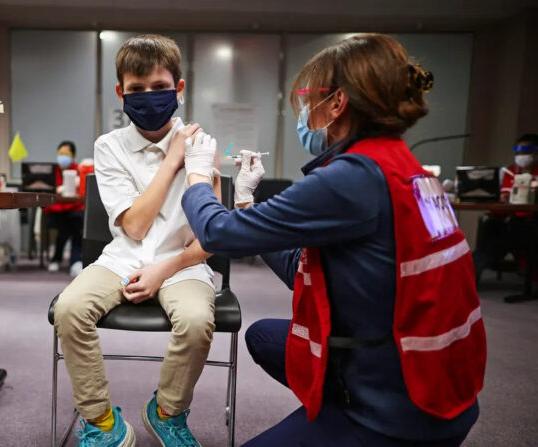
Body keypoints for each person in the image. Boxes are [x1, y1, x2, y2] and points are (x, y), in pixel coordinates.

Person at [181, 34, 485, 446]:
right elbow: (302, 269)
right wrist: (247, 201)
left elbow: (218, 234)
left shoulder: (352, 178)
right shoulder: (408, 168)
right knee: (265, 337)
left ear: (338, 103)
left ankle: (351, 425)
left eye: (307, 99)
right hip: (437, 380)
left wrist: (198, 177)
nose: (304, 112)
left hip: (400, 409)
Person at [53, 34, 222, 447]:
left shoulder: (203, 146)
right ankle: (102, 423)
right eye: (137, 90)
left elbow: (214, 234)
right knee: (70, 309)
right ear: (121, 93)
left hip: (183, 262)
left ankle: (166, 412)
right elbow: (135, 227)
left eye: (160, 88)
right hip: (121, 259)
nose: (149, 97)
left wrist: (166, 268)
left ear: (179, 89)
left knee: (198, 322)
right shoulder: (109, 146)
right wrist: (171, 160)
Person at [472, 134, 538, 283]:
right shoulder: (510, 172)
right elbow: (504, 197)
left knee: (513, 230)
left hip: (531, 219)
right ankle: (471, 273)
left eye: (526, 152)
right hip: (508, 218)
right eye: (518, 152)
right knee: (491, 226)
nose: (521, 156)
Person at [44, 140, 85, 276]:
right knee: (70, 224)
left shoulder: (79, 170)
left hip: (74, 209)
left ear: (73, 156)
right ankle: (75, 262)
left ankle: (57, 259)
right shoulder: (51, 171)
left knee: (75, 221)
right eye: (60, 153)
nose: (63, 157)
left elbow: (82, 192)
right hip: (55, 211)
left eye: (66, 153)